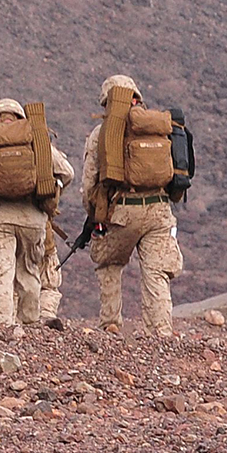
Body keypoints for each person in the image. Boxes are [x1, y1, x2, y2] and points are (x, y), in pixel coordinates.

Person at [82, 76, 187, 338]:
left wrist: (95, 214)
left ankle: (110, 323)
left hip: (121, 212)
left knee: (108, 263)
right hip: (160, 211)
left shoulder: (101, 134)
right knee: (156, 270)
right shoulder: (159, 127)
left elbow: (89, 181)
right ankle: (161, 329)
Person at [0, 99, 73, 337]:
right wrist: (54, 189)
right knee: (29, 271)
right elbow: (67, 172)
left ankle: (3, 326)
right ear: (21, 119)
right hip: (34, 218)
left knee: (1, 272)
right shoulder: (38, 144)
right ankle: (29, 325)